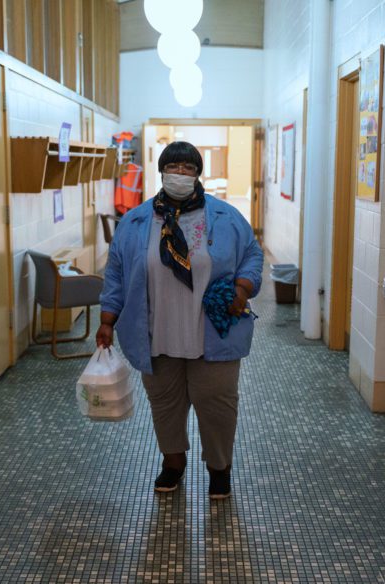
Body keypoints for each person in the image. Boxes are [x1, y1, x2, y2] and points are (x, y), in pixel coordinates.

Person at [97, 141, 263, 500]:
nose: (180, 175)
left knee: (218, 407)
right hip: (157, 336)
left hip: (213, 335)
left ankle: (219, 469)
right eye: (174, 167)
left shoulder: (225, 216)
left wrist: (243, 287)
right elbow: (116, 274)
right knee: (165, 407)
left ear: (198, 174)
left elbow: (251, 253)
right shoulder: (137, 221)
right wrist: (107, 319)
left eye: (188, 169)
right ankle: (173, 463)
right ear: (162, 172)